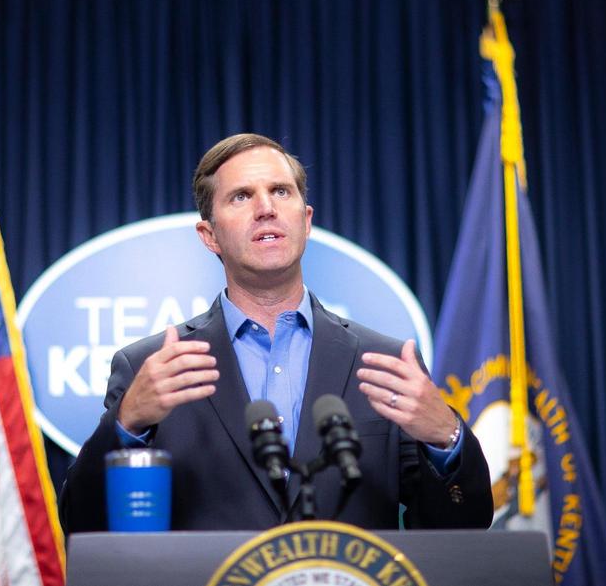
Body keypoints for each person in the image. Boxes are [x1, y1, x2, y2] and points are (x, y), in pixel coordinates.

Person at [58, 133, 492, 532]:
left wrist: (446, 438)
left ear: (305, 220)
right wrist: (128, 423)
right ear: (209, 236)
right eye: (242, 196)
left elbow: (462, 528)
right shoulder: (148, 369)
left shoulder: (385, 362)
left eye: (280, 191)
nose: (265, 207)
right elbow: (82, 523)